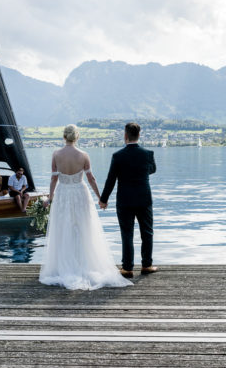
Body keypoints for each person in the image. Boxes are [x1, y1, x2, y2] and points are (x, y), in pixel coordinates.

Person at [39, 124, 132, 290]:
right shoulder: (83, 155)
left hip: (62, 195)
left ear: (64, 137)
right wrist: (100, 198)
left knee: (63, 228)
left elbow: (54, 179)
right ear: (77, 137)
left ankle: (64, 266)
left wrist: (50, 198)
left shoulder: (56, 154)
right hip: (80, 194)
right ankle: (85, 264)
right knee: (84, 228)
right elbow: (91, 179)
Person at [99, 122, 157, 278]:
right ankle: (146, 265)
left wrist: (103, 199)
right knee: (147, 232)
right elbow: (152, 170)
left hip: (124, 200)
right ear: (139, 135)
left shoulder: (118, 156)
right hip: (144, 198)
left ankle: (127, 268)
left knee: (127, 234)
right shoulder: (148, 154)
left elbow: (110, 180)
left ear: (125, 136)